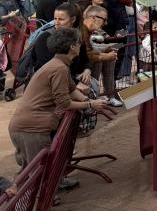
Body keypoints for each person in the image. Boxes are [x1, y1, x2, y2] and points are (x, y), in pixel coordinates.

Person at [8, 27, 111, 171]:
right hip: (31, 128)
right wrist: (89, 104)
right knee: (37, 175)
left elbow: (72, 90)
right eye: (78, 43)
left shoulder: (59, 65)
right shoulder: (59, 68)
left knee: (36, 173)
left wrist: (90, 101)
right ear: (72, 47)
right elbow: (64, 103)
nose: (80, 46)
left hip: (28, 126)